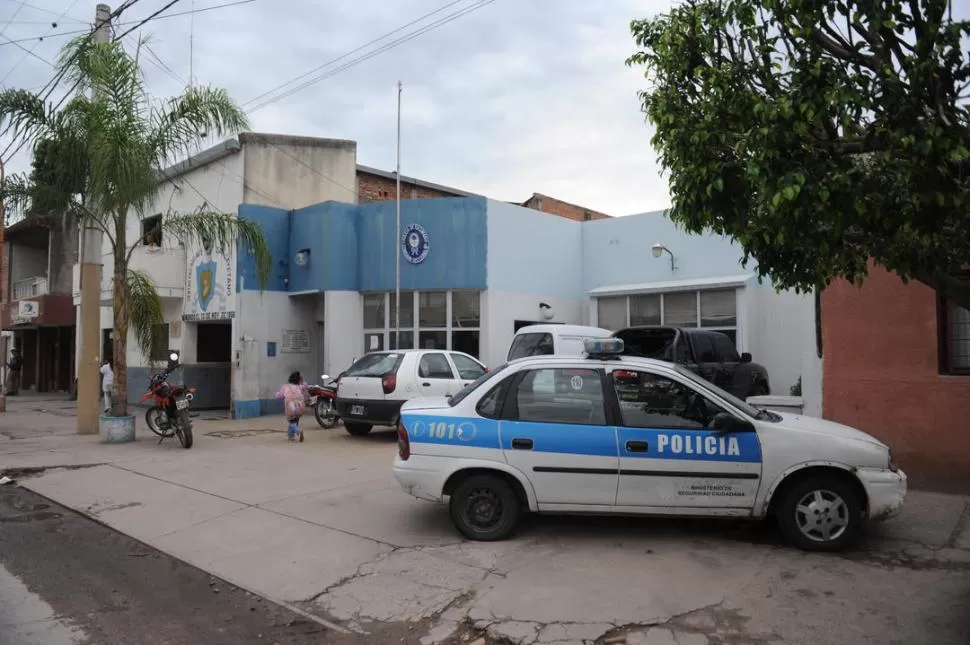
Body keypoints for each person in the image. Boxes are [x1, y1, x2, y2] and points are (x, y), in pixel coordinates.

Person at [276, 371, 307, 442]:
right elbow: (305, 385)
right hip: (300, 407)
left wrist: (277, 394)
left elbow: (280, 396)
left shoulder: (285, 387)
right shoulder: (300, 386)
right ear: (299, 380)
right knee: (295, 421)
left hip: (290, 408)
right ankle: (291, 436)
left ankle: (298, 430)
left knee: (291, 421)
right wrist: (302, 380)